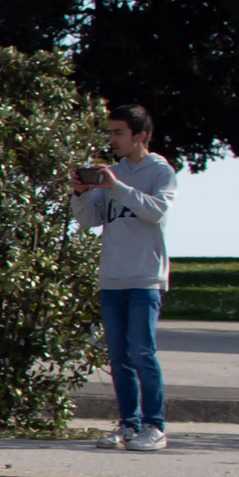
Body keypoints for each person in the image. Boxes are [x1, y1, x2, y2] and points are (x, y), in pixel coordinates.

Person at [71, 104, 177, 451]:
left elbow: (156, 210)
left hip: (145, 277)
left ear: (140, 136)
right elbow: (90, 220)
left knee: (142, 351)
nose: (111, 139)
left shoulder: (160, 172)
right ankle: (128, 425)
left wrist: (116, 186)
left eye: (118, 132)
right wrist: (81, 194)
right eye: (110, 132)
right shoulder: (110, 173)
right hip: (112, 278)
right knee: (118, 356)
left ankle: (155, 426)